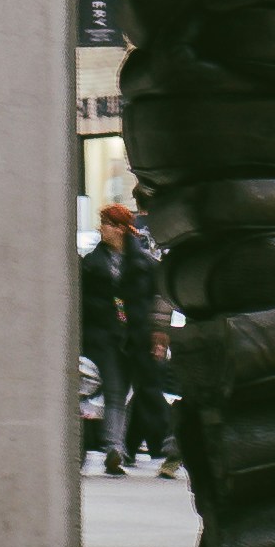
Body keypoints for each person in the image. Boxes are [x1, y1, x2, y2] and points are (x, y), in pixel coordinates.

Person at [80, 201, 171, 475]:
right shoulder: (92, 264)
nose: (101, 229)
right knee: (116, 391)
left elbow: (159, 297)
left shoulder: (144, 264)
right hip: (106, 335)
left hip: (137, 336)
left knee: (145, 391)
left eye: (106, 224)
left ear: (120, 229)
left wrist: (158, 331)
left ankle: (163, 444)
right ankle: (114, 448)